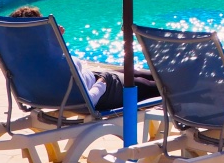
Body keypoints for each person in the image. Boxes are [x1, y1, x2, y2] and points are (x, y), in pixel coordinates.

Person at [9, 6, 161, 112]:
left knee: (138, 72)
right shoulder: (60, 64)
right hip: (103, 92)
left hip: (89, 81)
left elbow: (52, 74)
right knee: (157, 85)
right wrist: (103, 82)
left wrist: (55, 43)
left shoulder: (18, 63)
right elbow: (88, 101)